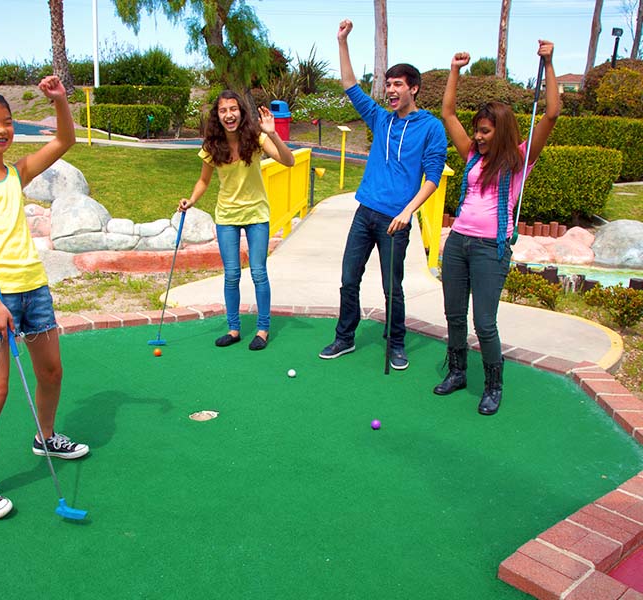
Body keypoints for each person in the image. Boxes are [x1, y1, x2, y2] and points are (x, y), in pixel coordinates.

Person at [0, 76, 89, 520]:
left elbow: (65, 139)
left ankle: (45, 436)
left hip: (33, 287)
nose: (3, 130)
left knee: (51, 372)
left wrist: (61, 100)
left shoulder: (15, 173)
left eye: (8, 122)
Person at [435, 42, 560, 415]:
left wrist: (549, 63)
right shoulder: (472, 155)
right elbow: (447, 113)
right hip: (458, 243)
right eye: (477, 130)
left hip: (491, 247)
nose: (478, 137)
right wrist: (455, 70)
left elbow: (551, 113)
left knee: (484, 322)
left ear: (501, 131)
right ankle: (457, 372)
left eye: (486, 131)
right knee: (454, 315)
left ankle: (493, 384)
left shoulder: (519, 160)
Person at [319, 19, 448, 370]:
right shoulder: (380, 118)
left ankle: (396, 344)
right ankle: (344, 338)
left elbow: (433, 177)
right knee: (349, 279)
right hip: (365, 213)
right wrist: (342, 41)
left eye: (397, 85)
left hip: (396, 219)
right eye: (388, 84)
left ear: (414, 89)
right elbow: (349, 84)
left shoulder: (432, 128)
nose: (390, 90)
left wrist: (408, 211)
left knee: (392, 287)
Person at [179, 90, 295, 351]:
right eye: (223, 110)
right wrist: (192, 200)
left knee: (258, 272)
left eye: (233, 109)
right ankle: (234, 329)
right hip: (227, 216)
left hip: (256, 214)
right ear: (217, 115)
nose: (229, 115)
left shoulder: (256, 138)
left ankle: (263, 329)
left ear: (241, 112)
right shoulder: (212, 146)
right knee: (231, 275)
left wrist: (273, 133)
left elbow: (288, 161)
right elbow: (204, 180)